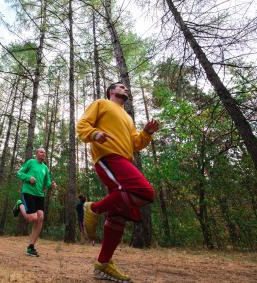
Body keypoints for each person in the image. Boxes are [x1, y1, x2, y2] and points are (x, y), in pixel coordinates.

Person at [76, 82, 160, 282]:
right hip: (108, 157)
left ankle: (103, 263)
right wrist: (94, 133)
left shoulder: (128, 117)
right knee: (145, 192)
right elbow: (82, 125)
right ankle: (94, 208)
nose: (126, 89)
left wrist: (146, 133)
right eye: (121, 87)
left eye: (126, 88)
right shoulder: (101, 104)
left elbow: (135, 143)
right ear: (111, 91)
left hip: (124, 159)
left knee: (119, 215)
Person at [12, 148, 57, 257]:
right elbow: (19, 173)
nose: (43, 154)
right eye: (41, 152)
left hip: (39, 195)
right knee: (32, 218)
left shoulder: (45, 168)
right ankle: (19, 204)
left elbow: (47, 182)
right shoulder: (31, 162)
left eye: (45, 152)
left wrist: (51, 185)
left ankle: (31, 247)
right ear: (37, 154)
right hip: (28, 192)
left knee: (40, 217)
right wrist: (28, 178)